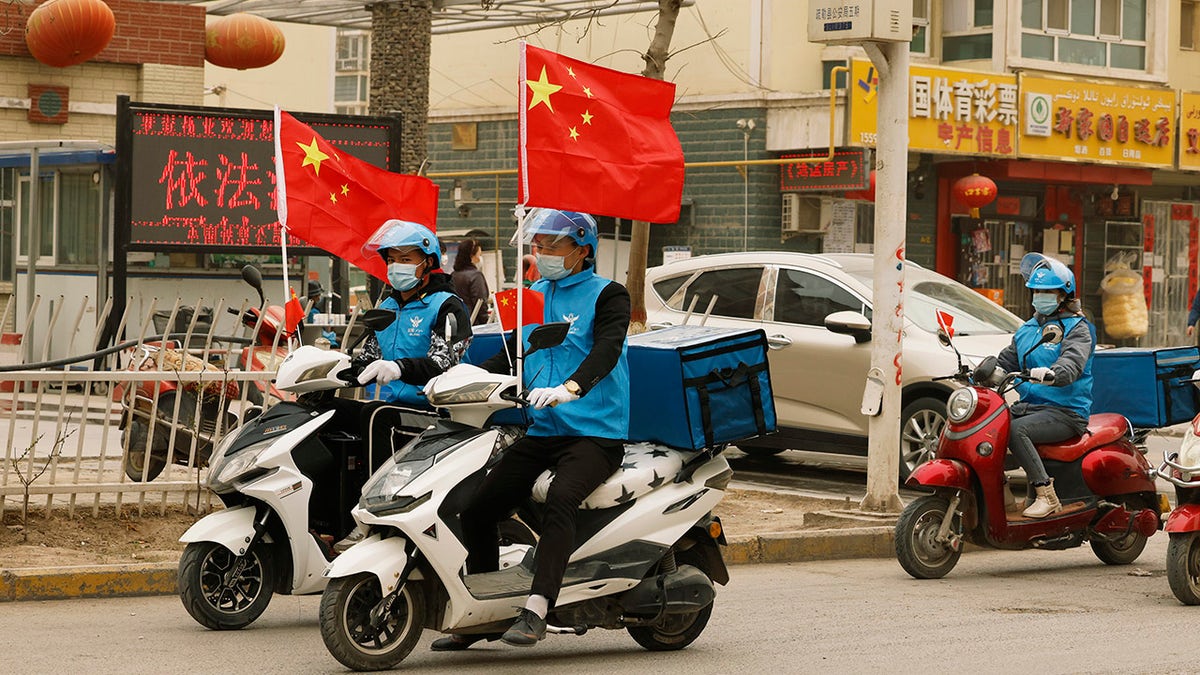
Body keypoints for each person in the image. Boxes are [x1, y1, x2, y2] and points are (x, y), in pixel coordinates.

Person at [429, 208, 630, 650]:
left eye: (552, 245)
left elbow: (608, 350)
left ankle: (538, 608)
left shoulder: (608, 294)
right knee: (479, 507)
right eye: (538, 245)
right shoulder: (533, 295)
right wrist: (458, 380)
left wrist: (571, 387)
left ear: (583, 250)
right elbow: (512, 355)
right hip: (543, 432)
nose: (541, 253)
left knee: (561, 498)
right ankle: (484, 613)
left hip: (595, 434)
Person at [328, 220, 472, 552]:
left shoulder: (447, 306)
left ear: (428, 262)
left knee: (377, 416)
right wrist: (334, 365)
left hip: (432, 412)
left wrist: (399, 368)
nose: (396, 266)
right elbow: (366, 357)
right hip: (388, 407)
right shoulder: (388, 306)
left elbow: (444, 362)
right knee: (326, 412)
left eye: (406, 258)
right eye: (391, 259)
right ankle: (326, 520)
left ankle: (371, 518)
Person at [995, 253, 1095, 519]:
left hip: (1065, 410)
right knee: (988, 427)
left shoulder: (1077, 328)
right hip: (1029, 406)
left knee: (1017, 431)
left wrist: (1053, 373)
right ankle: (1000, 495)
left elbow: (1072, 364)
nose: (1040, 296)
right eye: (1036, 290)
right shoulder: (1027, 328)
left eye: (1047, 291)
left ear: (1063, 294)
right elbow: (1007, 360)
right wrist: (980, 372)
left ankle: (1046, 494)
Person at [451, 239, 490, 325]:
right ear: (471, 255)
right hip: (473, 324)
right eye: (479, 254)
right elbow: (480, 303)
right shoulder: (476, 276)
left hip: (456, 322)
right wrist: (486, 323)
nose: (480, 258)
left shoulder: (453, 275)